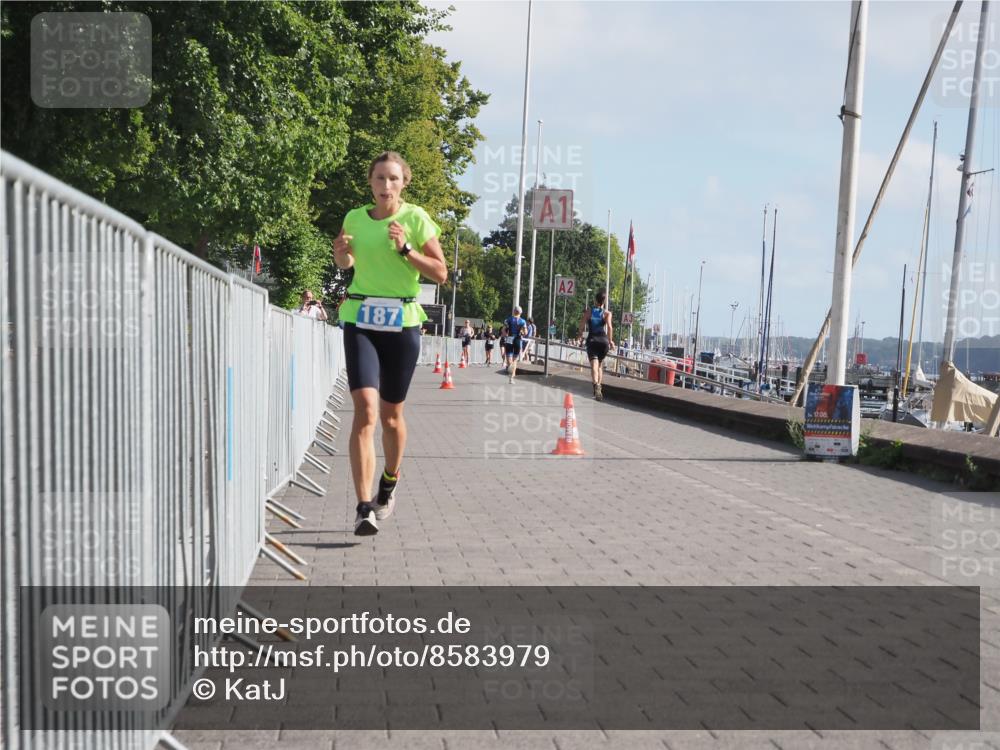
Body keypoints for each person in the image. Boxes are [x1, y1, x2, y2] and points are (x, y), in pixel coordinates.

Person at [332, 151, 448, 536]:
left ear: (404, 183)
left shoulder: (415, 219)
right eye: (379, 178)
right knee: (365, 411)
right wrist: (340, 256)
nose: (386, 186)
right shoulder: (354, 218)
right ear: (370, 181)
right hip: (360, 318)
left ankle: (390, 479)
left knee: (391, 417)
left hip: (401, 322)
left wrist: (406, 250)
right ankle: (363, 506)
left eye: (393, 179)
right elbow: (348, 265)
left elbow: (441, 273)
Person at [578, 290, 615, 401]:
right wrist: (611, 341)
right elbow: (609, 327)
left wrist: (579, 334)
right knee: (599, 365)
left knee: (594, 364)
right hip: (603, 342)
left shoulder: (589, 311)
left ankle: (596, 385)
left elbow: (582, 323)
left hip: (592, 340)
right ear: (604, 301)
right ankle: (599, 384)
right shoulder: (607, 313)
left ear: (595, 300)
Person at [502, 306, 527, 384]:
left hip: (509, 339)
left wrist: (505, 335)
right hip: (517, 340)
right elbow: (525, 332)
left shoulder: (508, 319)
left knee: (509, 360)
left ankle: (510, 376)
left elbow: (503, 330)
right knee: (515, 360)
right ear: (520, 312)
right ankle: (512, 377)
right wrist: (522, 333)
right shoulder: (523, 321)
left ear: (513, 311)